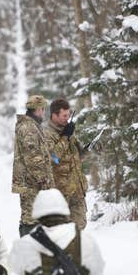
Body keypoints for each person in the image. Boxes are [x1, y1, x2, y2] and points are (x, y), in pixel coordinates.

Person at [12, 95, 55, 235]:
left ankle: (32, 249)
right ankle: (27, 250)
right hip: (31, 183)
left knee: (34, 218)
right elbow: (32, 158)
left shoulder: (33, 126)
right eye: (43, 109)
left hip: (33, 181)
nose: (44, 112)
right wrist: (43, 179)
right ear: (38, 109)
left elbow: (41, 150)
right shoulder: (28, 128)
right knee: (30, 219)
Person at [44, 98, 88, 229]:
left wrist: (89, 149)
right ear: (54, 115)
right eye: (64, 115)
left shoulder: (68, 131)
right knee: (61, 232)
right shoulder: (47, 134)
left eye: (69, 115)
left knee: (79, 228)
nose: (67, 118)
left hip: (77, 190)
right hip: (60, 193)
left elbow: (77, 157)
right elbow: (53, 157)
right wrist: (65, 138)